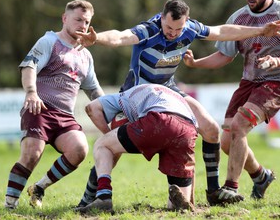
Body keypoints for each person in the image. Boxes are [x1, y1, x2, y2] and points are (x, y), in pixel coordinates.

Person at [75, 0, 280, 206]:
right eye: (169, 28)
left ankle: (213, 191)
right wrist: (97, 39)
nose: (173, 33)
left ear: (185, 22)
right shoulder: (149, 29)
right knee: (113, 150)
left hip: (169, 91)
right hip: (139, 95)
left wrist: (261, 30)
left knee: (211, 129)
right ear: (162, 18)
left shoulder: (190, 28)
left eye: (178, 29)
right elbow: (120, 37)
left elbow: (222, 31)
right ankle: (88, 198)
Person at [183, 0, 280, 203]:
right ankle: (260, 175)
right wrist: (195, 64)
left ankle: (231, 188)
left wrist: (278, 61)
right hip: (248, 83)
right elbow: (224, 56)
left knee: (240, 126)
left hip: (278, 81)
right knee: (226, 142)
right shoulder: (239, 18)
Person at [4, 0, 105, 209]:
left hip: (64, 116)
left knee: (79, 150)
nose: (82, 26)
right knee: (32, 154)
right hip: (39, 108)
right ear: (64, 18)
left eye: (86, 22)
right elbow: (29, 67)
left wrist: (111, 110)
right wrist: (31, 92)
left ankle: (39, 187)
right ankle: (9, 207)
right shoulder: (49, 41)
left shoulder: (86, 56)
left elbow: (94, 89)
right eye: (78, 19)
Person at [75, 84, 207, 214]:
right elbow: (190, 164)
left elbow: (91, 108)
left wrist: (108, 136)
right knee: (174, 205)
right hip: (188, 129)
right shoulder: (168, 93)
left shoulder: (124, 95)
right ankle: (184, 203)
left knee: (102, 145)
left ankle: (103, 196)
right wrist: (191, 198)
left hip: (159, 120)